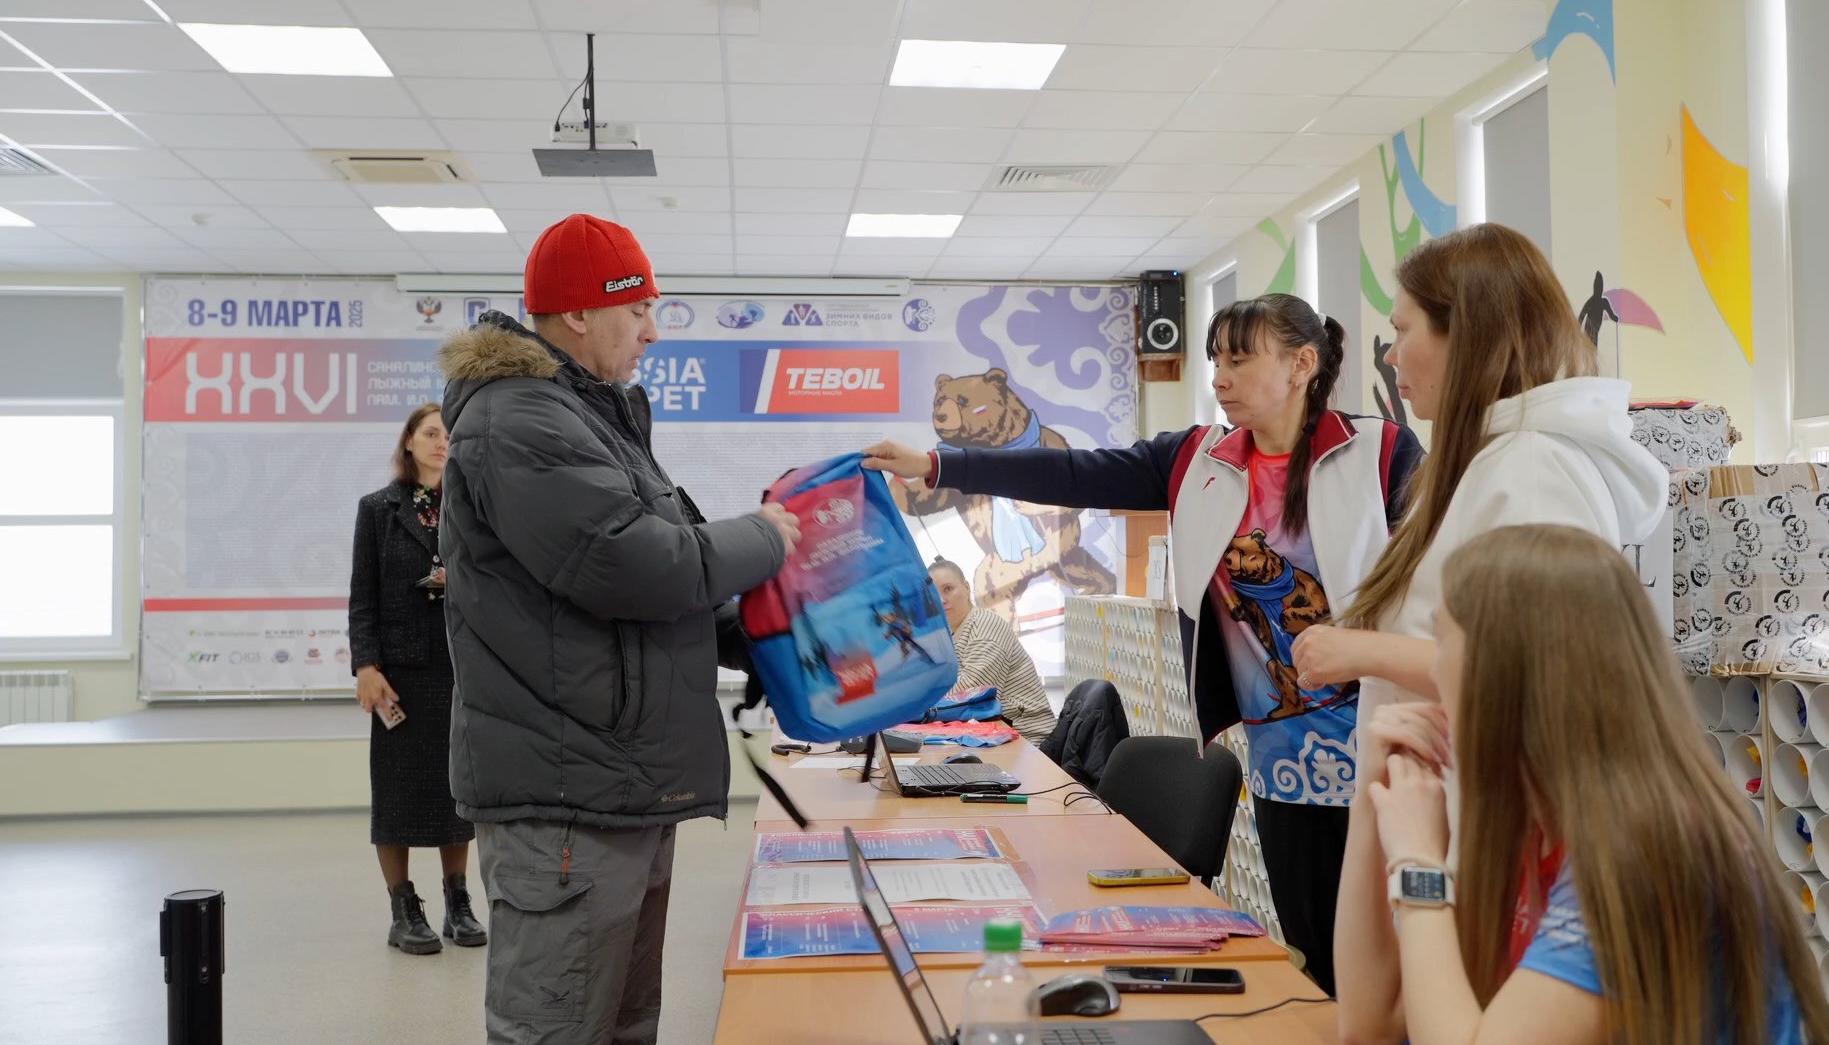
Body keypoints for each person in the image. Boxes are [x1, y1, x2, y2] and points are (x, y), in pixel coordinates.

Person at [865, 293, 1423, 995]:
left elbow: (1435, 584)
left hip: (1386, 750)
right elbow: (1072, 473)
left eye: (1239, 360)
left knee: (1401, 963)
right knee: (1320, 959)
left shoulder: (1381, 453)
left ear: (1301, 364)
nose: (1219, 377)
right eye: (1216, 360)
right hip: (1283, 761)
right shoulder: (1197, 458)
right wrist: (939, 465)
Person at [435, 213, 801, 1045]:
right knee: (561, 1026)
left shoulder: (590, 416)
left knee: (624, 1023)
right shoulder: (519, 420)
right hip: (568, 798)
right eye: (637, 309)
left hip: (619, 786)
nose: (651, 331)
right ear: (577, 313)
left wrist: (769, 643)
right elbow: (630, 563)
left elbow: (664, 582)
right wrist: (765, 537)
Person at [1302, 223, 1671, 1024]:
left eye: (1403, 331)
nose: (1392, 357)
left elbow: (1540, 663)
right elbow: (1368, 1023)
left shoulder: (1531, 466)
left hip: (1488, 828)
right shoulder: (1485, 458)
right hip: (1446, 813)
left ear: (1463, 333)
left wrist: (1362, 650)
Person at [1348, 524, 1829, 1045]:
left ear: (1503, 672)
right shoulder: (1532, 817)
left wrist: (1418, 863)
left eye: (1441, 642)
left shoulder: (1644, 847)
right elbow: (1370, 1024)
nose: (1433, 668)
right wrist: (1370, 800)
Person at [347, 402, 484, 956]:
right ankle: (403, 909)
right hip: (398, 674)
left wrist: (462, 580)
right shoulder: (377, 509)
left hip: (460, 667)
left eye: (449, 434)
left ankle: (458, 902)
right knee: (398, 795)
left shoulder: (471, 508)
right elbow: (363, 596)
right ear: (408, 442)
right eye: (430, 432)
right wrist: (366, 666)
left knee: (457, 792)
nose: (440, 441)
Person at [927, 558, 1056, 740]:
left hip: (1027, 738)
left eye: (948, 589)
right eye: (933, 593)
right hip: (990, 730)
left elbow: (968, 696)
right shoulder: (948, 631)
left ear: (966, 587)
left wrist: (918, 703)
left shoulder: (984, 629)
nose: (941, 600)